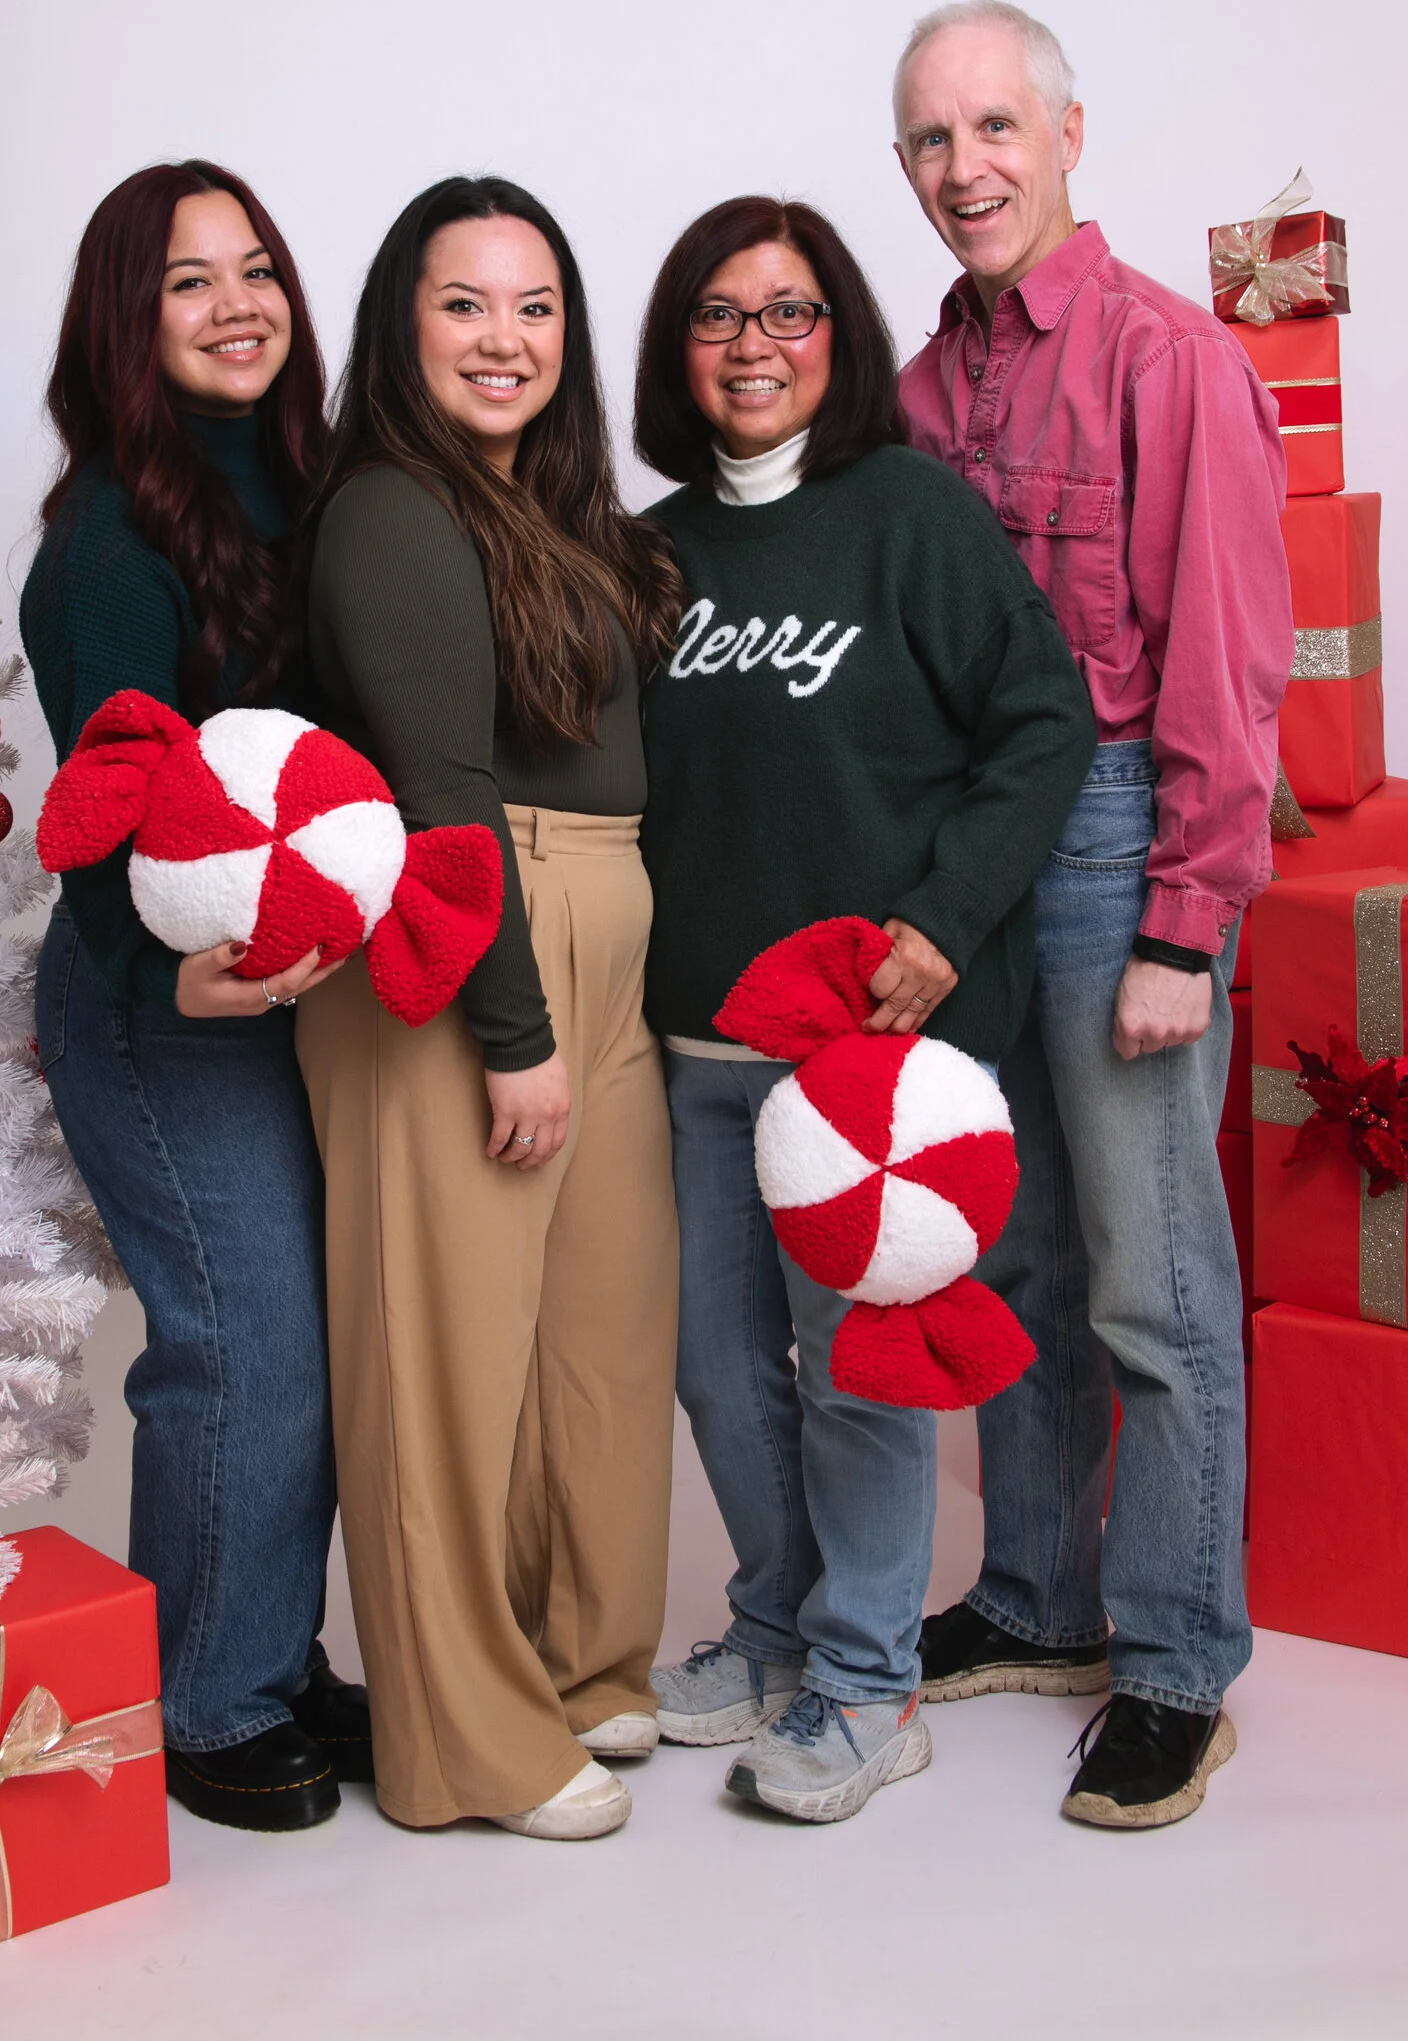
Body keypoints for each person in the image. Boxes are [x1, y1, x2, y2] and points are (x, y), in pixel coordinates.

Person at [634, 195, 1097, 1826]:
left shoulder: (910, 513)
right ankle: (775, 1627)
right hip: (696, 1046)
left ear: (839, 335)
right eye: (719, 314)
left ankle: (867, 1680)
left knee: (853, 1372)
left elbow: (1044, 721)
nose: (754, 345)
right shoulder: (649, 552)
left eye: (790, 312)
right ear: (677, 346)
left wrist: (944, 922)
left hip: (862, 1061)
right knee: (717, 1366)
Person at [894, 0, 1294, 1829]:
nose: (964, 166)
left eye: (995, 126)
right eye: (930, 139)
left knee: (1154, 1276)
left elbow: (1228, 660)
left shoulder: (1169, 357)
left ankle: (1179, 1660)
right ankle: (1038, 1597)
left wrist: (1183, 926)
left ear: (1067, 133)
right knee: (1018, 1257)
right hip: (983, 860)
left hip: (1126, 842)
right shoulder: (920, 390)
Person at [293, 175, 684, 1840]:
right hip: (469, 938)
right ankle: (463, 1742)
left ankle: (581, 1667)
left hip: (604, 918)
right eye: (465, 303)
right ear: (404, 322)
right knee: (441, 1360)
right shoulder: (391, 507)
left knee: (601, 1329)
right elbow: (443, 790)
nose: (504, 338)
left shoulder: (560, 512)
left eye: (535, 306)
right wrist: (513, 1033)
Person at [22, 160, 368, 1833]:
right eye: (189, 281)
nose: (238, 305)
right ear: (128, 319)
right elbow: (98, 795)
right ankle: (208, 1701)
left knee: (306, 1333)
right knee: (243, 1345)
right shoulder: (108, 540)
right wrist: (166, 968)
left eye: (258, 271)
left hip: (281, 989)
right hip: (155, 1006)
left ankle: (270, 1658)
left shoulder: (313, 489)